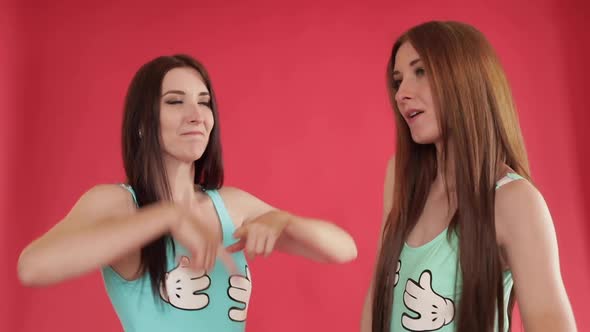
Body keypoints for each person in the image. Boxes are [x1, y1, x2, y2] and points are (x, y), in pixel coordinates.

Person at [17, 54, 358, 331]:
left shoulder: (230, 205)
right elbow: (33, 267)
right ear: (143, 123)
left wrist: (282, 220)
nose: (196, 115)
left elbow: (344, 249)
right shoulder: (119, 203)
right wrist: (167, 216)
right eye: (175, 102)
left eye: (204, 102)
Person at [360, 21, 577, 332]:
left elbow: (550, 322)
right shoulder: (399, 177)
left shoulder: (513, 200)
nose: (401, 94)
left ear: (464, 79)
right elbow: (378, 294)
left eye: (420, 71)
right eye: (398, 80)